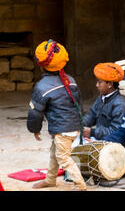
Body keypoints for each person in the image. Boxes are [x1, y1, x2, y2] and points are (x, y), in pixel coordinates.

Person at [26, 39, 87, 191]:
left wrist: (34, 129)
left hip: (63, 130)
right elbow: (79, 103)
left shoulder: (42, 87)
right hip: (73, 126)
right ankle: (50, 179)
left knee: (63, 158)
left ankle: (81, 185)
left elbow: (35, 113)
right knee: (55, 153)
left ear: (41, 64)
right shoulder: (71, 80)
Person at [82, 63, 125, 141]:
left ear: (110, 84)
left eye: (99, 82)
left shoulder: (120, 104)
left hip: (110, 144)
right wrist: (81, 125)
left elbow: (115, 131)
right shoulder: (101, 97)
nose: (97, 85)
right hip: (98, 138)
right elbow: (91, 114)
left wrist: (92, 132)